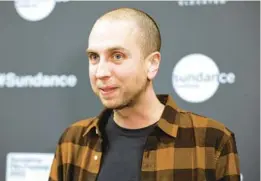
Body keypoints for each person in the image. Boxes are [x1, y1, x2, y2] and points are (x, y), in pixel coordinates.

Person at [48, 7, 240, 181]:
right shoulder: (72, 141)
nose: (101, 72)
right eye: (94, 57)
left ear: (152, 64)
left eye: (117, 56)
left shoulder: (212, 141)